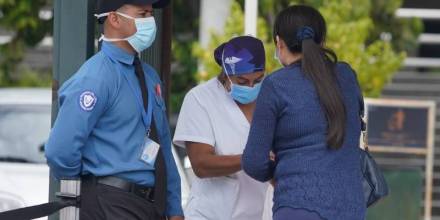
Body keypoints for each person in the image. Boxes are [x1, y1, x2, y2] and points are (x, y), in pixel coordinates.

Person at [44, 0, 184, 219]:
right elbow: (60, 151)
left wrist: (174, 208)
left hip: (149, 204)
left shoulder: (149, 76)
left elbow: (163, 146)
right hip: (109, 202)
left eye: (150, 14)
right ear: (115, 18)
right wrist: (90, 188)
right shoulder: (96, 76)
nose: (150, 20)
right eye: (142, 13)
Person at [242, 5, 366, 220]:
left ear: (279, 43)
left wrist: (280, 171)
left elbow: (254, 161)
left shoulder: (276, 85)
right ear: (322, 42)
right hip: (351, 207)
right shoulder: (346, 76)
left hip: (298, 206)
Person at [173, 36, 269, 220]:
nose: (251, 87)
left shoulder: (270, 97)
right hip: (210, 215)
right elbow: (201, 164)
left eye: (257, 80)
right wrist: (250, 159)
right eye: (242, 81)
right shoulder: (200, 99)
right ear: (226, 74)